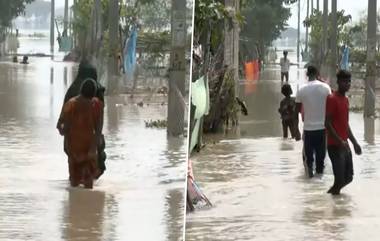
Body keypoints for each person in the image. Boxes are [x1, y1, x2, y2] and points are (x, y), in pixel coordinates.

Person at [57, 61, 107, 179]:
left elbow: (62, 121)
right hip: (90, 141)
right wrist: (96, 145)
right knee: (90, 175)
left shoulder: (72, 91)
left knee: (75, 177)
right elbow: (99, 122)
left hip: (74, 142)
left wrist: (64, 131)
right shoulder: (97, 90)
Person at [325, 70, 361, 195]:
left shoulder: (345, 100)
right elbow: (327, 123)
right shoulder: (332, 98)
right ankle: (330, 203)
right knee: (340, 180)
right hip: (334, 145)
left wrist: (355, 143)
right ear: (338, 82)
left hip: (345, 144)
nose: (348, 84)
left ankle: (332, 197)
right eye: (345, 81)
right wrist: (339, 141)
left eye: (349, 81)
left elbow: (345, 125)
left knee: (349, 177)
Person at [295, 65, 331, 178]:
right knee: (321, 162)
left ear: (307, 75)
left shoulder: (301, 90)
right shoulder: (326, 88)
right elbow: (330, 109)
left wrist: (296, 130)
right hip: (322, 130)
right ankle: (319, 185)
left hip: (308, 130)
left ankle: (309, 183)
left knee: (308, 162)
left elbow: (296, 112)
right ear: (317, 74)